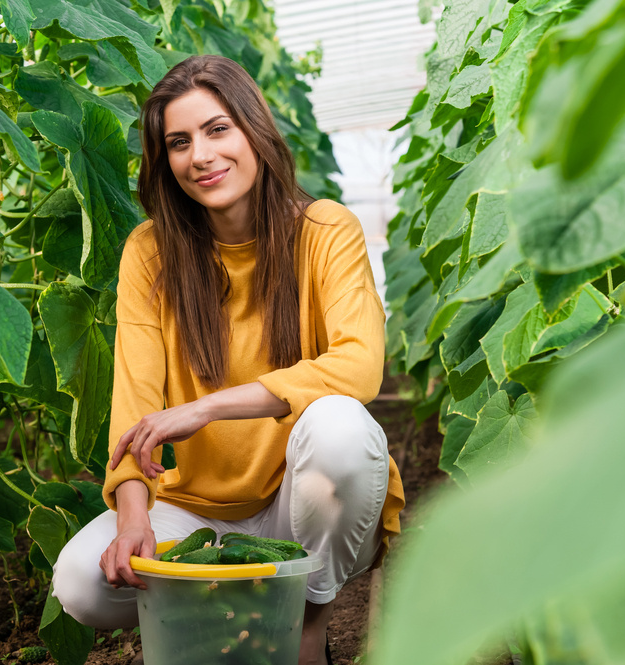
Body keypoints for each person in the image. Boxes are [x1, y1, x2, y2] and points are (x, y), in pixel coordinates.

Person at [52, 54, 404, 665]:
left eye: (218, 129)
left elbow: (359, 366)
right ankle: (234, 624)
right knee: (82, 584)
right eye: (179, 143)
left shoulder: (325, 230)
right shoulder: (150, 251)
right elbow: (134, 402)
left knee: (341, 428)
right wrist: (133, 513)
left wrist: (206, 409)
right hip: (192, 510)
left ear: (254, 131)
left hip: (301, 503)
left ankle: (306, 630)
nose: (201, 156)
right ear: (166, 163)